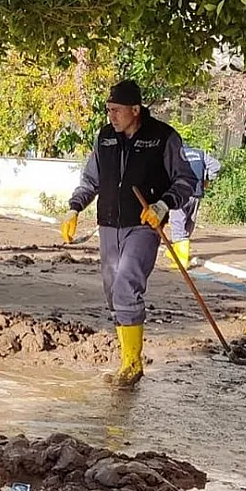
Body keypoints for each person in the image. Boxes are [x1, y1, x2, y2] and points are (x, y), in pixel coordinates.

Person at [60, 80, 198, 389]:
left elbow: (186, 180)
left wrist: (163, 205)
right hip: (109, 223)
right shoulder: (105, 137)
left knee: (126, 285)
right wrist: (74, 207)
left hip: (143, 224)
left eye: (117, 111)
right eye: (108, 110)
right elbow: (90, 179)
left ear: (135, 110)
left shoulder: (163, 137)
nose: (111, 117)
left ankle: (133, 365)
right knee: (113, 292)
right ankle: (126, 357)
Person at [166, 145, 221, 268]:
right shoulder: (200, 153)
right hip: (196, 193)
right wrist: (207, 178)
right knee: (189, 223)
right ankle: (177, 252)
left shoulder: (174, 155)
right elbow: (216, 166)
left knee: (177, 224)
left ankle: (180, 261)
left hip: (180, 193)